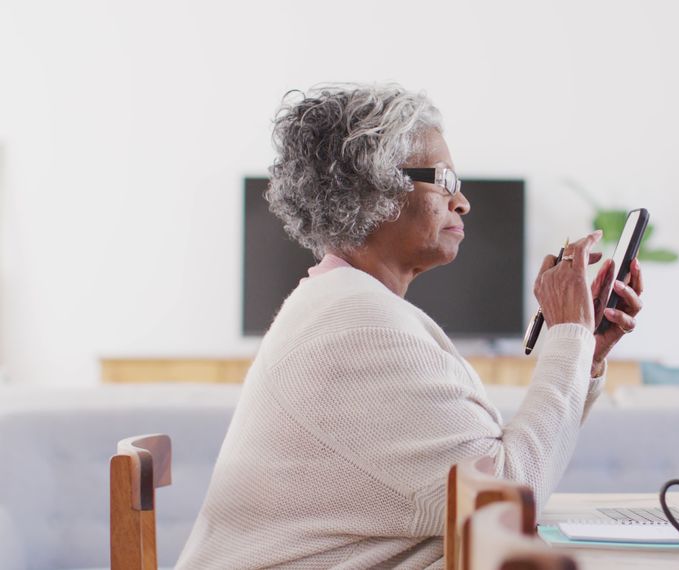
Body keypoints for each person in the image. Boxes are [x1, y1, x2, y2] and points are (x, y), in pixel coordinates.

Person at [175, 83, 644, 569]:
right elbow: (501, 499)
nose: (462, 202)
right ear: (372, 187)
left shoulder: (347, 306)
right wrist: (568, 337)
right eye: (443, 179)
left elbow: (485, 471)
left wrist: (581, 351)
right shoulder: (358, 328)